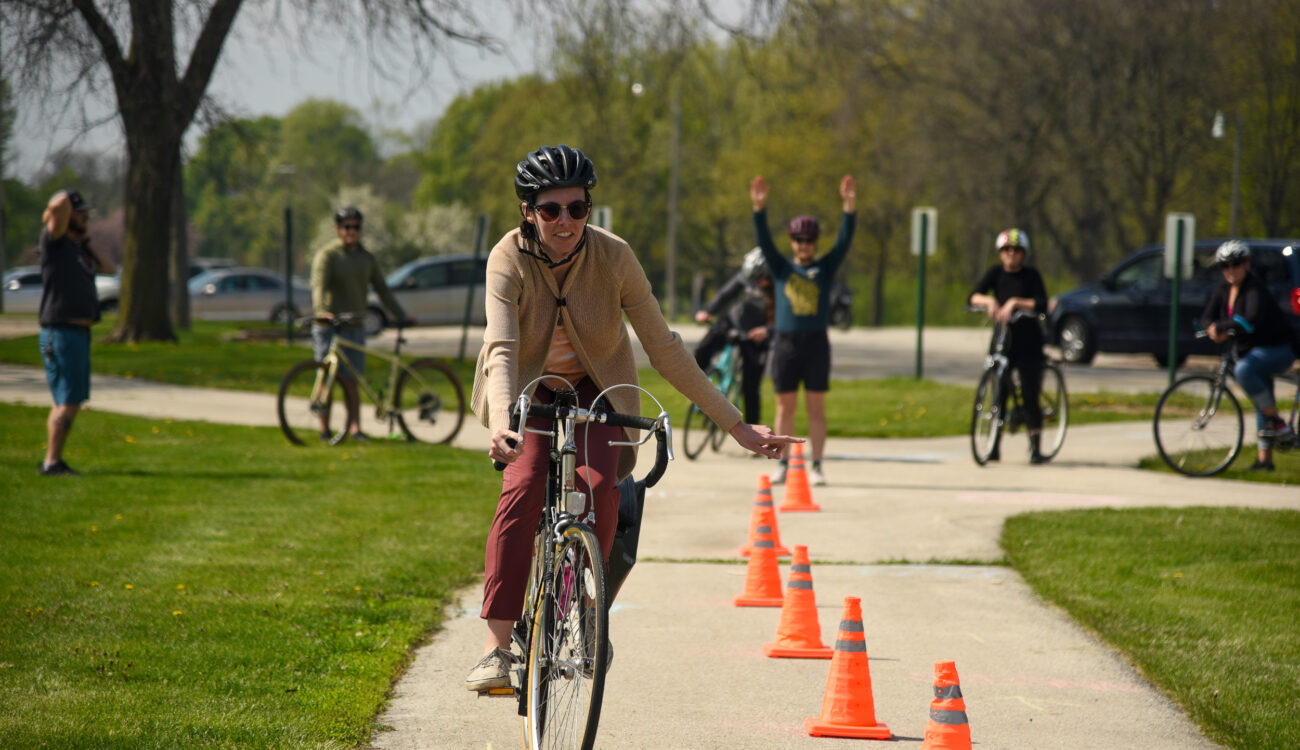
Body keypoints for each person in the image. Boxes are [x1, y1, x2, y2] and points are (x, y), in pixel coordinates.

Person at [467, 145, 801, 692]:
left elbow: (665, 349)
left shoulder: (614, 257)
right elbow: (501, 347)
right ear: (528, 210)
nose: (566, 221)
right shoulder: (507, 258)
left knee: (603, 489)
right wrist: (505, 419)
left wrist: (737, 426)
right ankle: (496, 650)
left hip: (598, 394)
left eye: (578, 208)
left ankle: (578, 611)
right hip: (527, 395)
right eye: (551, 210)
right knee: (523, 487)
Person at [749, 174, 857, 486]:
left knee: (815, 408)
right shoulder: (782, 268)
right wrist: (759, 209)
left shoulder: (824, 269)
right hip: (785, 343)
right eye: (798, 240)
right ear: (792, 241)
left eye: (809, 240)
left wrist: (849, 206)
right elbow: (764, 242)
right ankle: (782, 465)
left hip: (815, 344)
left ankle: (818, 465)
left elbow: (844, 242)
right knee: (784, 406)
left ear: (815, 243)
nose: (803, 245)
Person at [309, 207, 408, 444]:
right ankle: (325, 430)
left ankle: (355, 428)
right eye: (346, 227)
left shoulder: (366, 258)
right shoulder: (328, 255)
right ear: (338, 230)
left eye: (355, 227)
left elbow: (383, 290)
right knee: (327, 377)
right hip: (329, 326)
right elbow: (319, 286)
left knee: (353, 381)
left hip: (355, 326)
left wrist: (401, 315)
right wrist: (322, 310)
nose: (351, 231)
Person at [36, 189, 117, 476]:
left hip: (77, 333)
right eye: (80, 213)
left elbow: (109, 267)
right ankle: (52, 462)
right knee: (68, 401)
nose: (85, 217)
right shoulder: (53, 242)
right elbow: (57, 203)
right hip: (62, 332)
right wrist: (62, 208)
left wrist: (86, 240)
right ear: (67, 215)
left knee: (66, 401)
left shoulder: (77, 247)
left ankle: (52, 459)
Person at [1200, 239, 1296, 470]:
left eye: (1236, 264)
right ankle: (1265, 460)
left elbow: (1249, 320)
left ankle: (1276, 421)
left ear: (1247, 264)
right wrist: (1213, 329)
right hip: (1253, 352)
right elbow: (1207, 317)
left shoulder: (1255, 288)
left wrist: (1222, 327)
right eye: (1226, 265)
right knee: (1260, 397)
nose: (1231, 270)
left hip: (1280, 349)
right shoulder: (1223, 290)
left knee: (1245, 371)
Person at [968, 228, 1050, 464]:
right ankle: (994, 445)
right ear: (1000, 253)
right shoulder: (995, 273)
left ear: (1023, 253)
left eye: (1015, 250)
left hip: (1028, 342)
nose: (1011, 254)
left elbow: (1042, 303)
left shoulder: (1031, 275)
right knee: (999, 391)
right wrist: (990, 301)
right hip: (1003, 340)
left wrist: (1015, 303)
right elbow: (973, 296)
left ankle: (1035, 448)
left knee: (1029, 392)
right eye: (1006, 250)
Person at [692, 247, 775, 425]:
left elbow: (783, 316)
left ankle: (754, 428)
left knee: (750, 387)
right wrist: (707, 311)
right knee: (702, 349)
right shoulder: (745, 276)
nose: (755, 284)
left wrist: (768, 330)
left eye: (759, 280)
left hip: (757, 333)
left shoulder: (778, 284)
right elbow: (725, 294)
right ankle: (697, 391)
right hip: (734, 321)